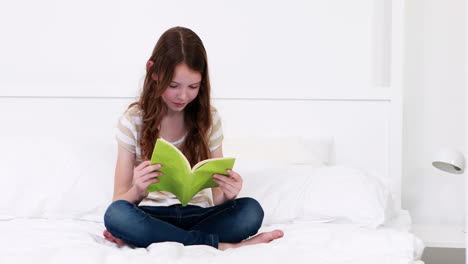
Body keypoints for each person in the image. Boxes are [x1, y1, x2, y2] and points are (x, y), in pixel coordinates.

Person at [103, 26, 284, 250]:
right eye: (173, 85)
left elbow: (217, 197)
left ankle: (156, 238)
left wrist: (228, 194)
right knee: (116, 215)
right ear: (154, 72)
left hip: (199, 215)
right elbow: (118, 200)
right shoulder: (133, 121)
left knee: (250, 210)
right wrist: (138, 190)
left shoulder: (210, 119)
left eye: (193, 86)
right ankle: (221, 246)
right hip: (151, 215)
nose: (183, 96)